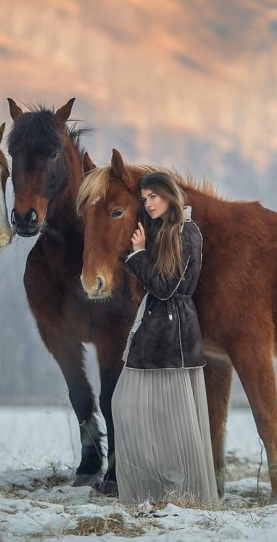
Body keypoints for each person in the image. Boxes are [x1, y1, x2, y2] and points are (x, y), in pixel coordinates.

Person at [111, 171, 219, 506]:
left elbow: (165, 287)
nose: (148, 204)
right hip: (159, 329)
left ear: (169, 195)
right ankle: (157, 488)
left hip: (173, 333)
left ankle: (181, 491)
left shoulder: (187, 232)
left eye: (153, 197)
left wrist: (138, 255)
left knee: (174, 420)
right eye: (144, 199)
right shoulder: (166, 231)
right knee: (127, 406)